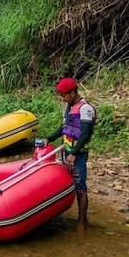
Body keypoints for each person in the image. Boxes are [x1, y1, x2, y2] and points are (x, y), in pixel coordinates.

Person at [38, 77, 97, 234]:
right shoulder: (69, 107)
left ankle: (82, 222)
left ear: (73, 93)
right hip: (67, 151)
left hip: (77, 154)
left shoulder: (85, 109)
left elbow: (84, 133)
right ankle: (81, 218)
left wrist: (74, 154)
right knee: (68, 182)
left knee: (80, 187)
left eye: (64, 96)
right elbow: (63, 128)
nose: (62, 99)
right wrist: (48, 138)